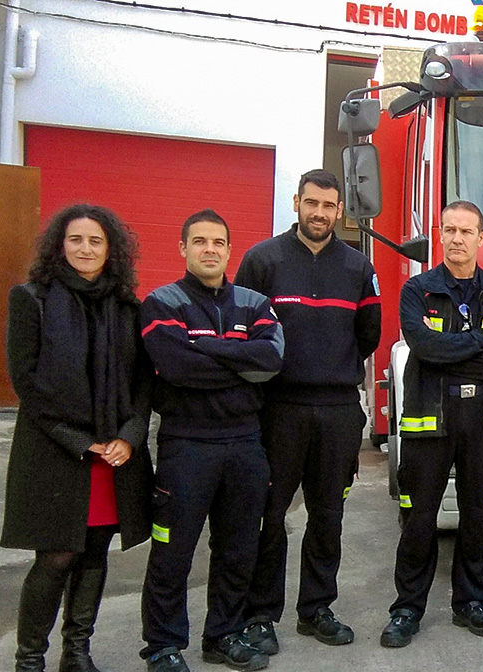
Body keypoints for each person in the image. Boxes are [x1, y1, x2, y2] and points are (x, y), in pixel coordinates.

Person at [235, 169, 382, 654]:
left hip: (337, 409)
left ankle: (316, 608)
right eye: (312, 203)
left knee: (328, 515)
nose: (320, 213)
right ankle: (260, 615)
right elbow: (242, 331)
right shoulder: (262, 260)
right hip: (279, 410)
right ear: (297, 202)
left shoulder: (357, 266)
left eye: (329, 206)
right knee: (268, 516)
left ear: (340, 211)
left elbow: (368, 335)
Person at [3, 204, 154, 672]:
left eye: (95, 241)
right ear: (59, 245)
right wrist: (78, 439)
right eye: (75, 240)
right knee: (55, 555)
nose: (85, 249)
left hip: (113, 454)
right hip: (54, 451)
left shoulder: (130, 307)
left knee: (94, 551)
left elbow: (143, 381)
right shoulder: (31, 299)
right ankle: (30, 658)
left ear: (111, 250)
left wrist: (129, 436)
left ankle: (77, 651)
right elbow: (25, 382)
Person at [139, 210, 284, 672]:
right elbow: (174, 367)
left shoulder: (255, 303)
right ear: (182, 248)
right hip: (187, 445)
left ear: (229, 249)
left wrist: (203, 348)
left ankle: (222, 634)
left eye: (218, 242)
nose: (209, 249)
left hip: (245, 444)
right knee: (173, 550)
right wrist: (238, 362)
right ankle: (163, 646)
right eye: (199, 241)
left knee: (239, 549)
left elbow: (270, 361)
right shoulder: (162, 302)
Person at [380, 201, 483, 648]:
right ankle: (407, 609)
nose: (457, 238)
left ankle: (471, 601)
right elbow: (423, 347)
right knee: (419, 518)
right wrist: (481, 338)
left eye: (467, 231)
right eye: (450, 230)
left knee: (479, 516)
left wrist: (452, 353)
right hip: (430, 423)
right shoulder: (417, 290)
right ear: (441, 235)